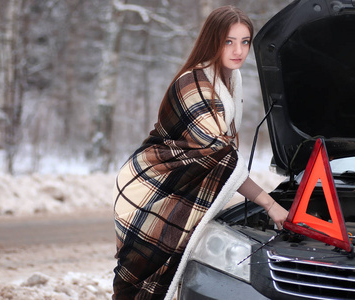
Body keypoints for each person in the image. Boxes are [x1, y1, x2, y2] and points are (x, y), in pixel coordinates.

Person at [112, 5, 289, 300]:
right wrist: (269, 204)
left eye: (245, 41)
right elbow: (220, 156)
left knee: (164, 281)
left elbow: (219, 153)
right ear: (212, 41)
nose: (239, 50)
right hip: (152, 188)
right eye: (229, 41)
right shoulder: (192, 84)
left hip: (177, 188)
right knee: (141, 283)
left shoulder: (231, 80)